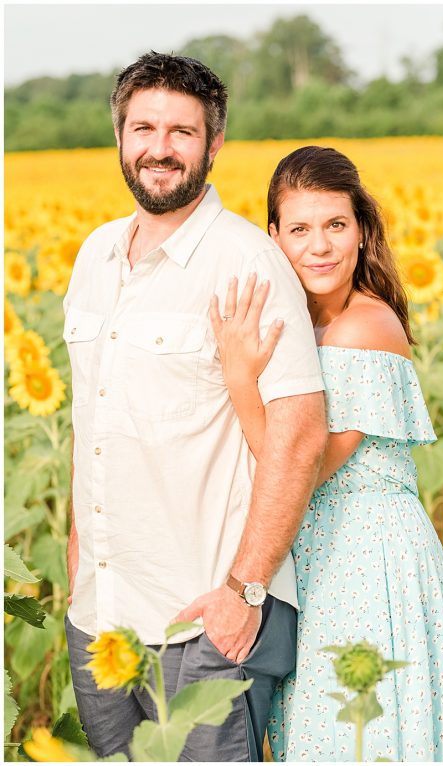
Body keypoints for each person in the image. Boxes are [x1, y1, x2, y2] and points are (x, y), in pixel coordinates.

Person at [62, 52, 328, 761]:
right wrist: (76, 561)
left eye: (182, 131)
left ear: (214, 146)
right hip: (101, 615)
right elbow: (92, 418)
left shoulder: (247, 262)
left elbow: (300, 440)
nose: (159, 148)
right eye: (143, 127)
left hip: (205, 620)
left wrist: (244, 589)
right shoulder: (93, 258)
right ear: (119, 136)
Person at [208, 145, 443, 761]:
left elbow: (302, 467)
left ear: (363, 231)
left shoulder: (365, 327)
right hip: (318, 561)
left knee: (359, 735)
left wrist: (240, 379)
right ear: (272, 237)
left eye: (336, 225)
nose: (320, 246)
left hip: (368, 562)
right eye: (299, 229)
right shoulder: (300, 323)